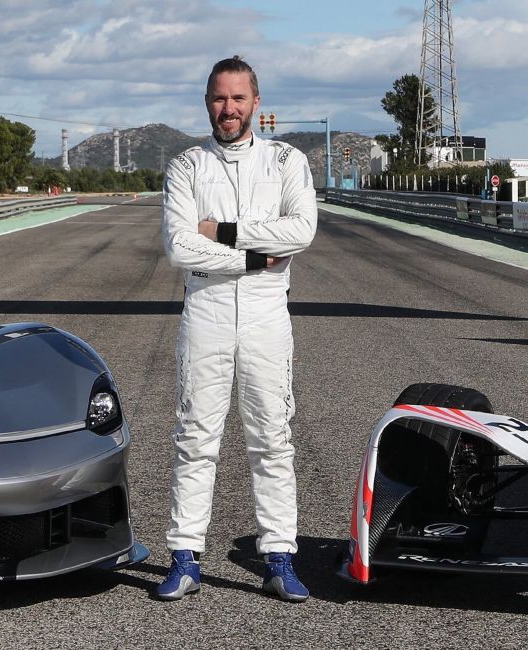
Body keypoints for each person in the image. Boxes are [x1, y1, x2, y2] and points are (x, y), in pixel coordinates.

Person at [158, 56, 317, 602]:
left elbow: (301, 229)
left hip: (267, 312)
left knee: (272, 436)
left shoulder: (287, 160)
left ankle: (280, 557)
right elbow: (180, 245)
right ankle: (184, 558)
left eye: (238, 99)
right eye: (219, 99)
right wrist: (253, 256)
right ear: (207, 101)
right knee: (195, 435)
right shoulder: (185, 166)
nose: (228, 109)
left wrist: (222, 232)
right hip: (205, 308)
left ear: (256, 102)